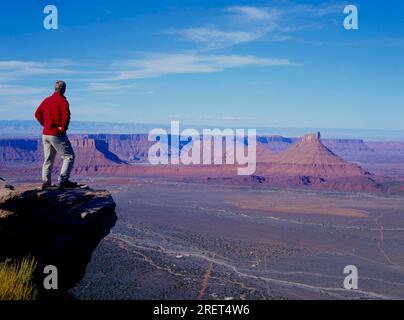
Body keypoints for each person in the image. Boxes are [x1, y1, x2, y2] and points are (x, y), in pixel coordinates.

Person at [35, 81, 78, 189]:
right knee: (69, 157)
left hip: (45, 133)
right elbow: (66, 116)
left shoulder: (47, 100)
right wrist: (63, 128)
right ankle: (64, 181)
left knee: (48, 159)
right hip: (56, 134)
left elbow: (37, 113)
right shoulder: (62, 101)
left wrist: (45, 124)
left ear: (54, 88)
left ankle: (46, 183)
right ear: (64, 89)